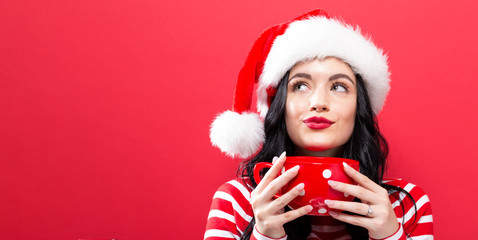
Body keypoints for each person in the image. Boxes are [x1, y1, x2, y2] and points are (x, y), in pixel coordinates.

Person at [205, 9, 433, 240]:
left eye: (339, 87)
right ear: (280, 106)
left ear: (359, 108)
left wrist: (390, 236)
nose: (319, 103)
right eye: (300, 86)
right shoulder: (237, 200)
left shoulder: (406, 205)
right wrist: (264, 235)